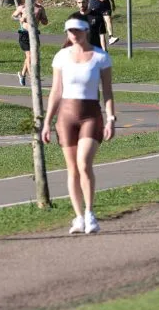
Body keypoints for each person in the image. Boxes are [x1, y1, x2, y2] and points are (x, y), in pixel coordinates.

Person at [41, 15, 116, 235]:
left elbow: (108, 93)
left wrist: (111, 119)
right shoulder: (61, 57)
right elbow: (55, 91)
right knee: (72, 168)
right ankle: (79, 217)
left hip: (91, 115)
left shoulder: (101, 58)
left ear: (86, 31)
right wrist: (47, 122)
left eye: (77, 30)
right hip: (66, 117)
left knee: (84, 163)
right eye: (69, 31)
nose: (73, 35)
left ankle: (91, 213)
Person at [11, 0, 49, 86]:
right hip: (24, 34)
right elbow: (13, 16)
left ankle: (22, 75)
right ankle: (33, 77)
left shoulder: (40, 8)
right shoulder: (22, 8)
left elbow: (46, 22)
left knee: (30, 56)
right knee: (29, 56)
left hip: (34, 34)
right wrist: (20, 18)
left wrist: (42, 19)